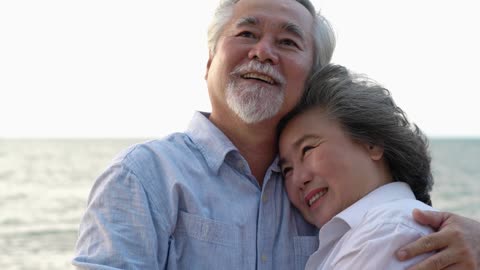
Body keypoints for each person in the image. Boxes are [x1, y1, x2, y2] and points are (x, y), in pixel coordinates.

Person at [73, 0, 480, 269]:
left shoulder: (328, 194)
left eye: (287, 41)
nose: (263, 51)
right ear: (210, 59)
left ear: (312, 74)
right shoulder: (143, 176)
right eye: (246, 34)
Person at [278, 64, 435, 269]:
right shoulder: (363, 234)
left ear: (371, 143)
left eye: (307, 149)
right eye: (286, 170)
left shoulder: (390, 231)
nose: (298, 179)